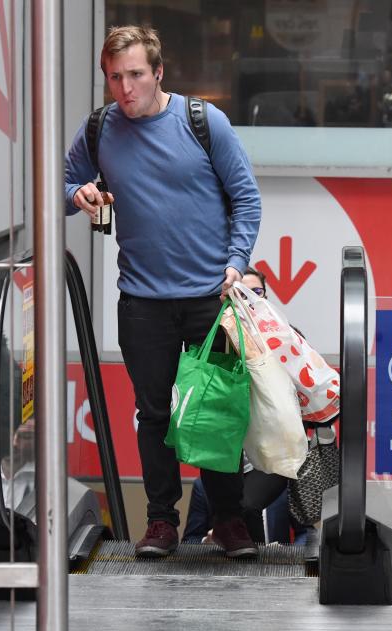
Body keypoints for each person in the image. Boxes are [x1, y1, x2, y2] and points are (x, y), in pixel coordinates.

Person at [63, 26, 262, 559]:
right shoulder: (100, 128)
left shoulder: (202, 122)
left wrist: (237, 264)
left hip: (210, 298)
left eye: (133, 75)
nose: (124, 88)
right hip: (143, 302)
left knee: (215, 410)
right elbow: (62, 187)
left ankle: (228, 520)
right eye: (113, 77)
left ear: (157, 73)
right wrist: (75, 192)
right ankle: (160, 522)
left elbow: (246, 198)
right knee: (153, 414)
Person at [183, 267, 320, 546]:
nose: (245, 298)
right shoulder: (216, 340)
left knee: (246, 504)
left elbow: (308, 384)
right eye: (237, 292)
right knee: (235, 509)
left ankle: (253, 560)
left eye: (253, 292)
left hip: (276, 446)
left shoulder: (284, 337)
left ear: (265, 297)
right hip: (231, 450)